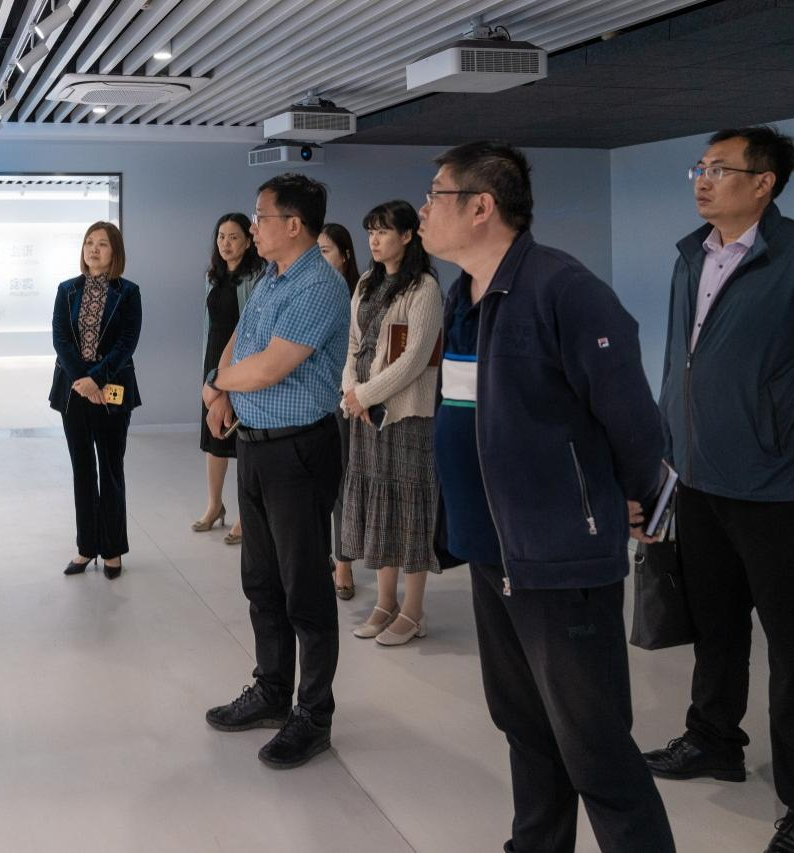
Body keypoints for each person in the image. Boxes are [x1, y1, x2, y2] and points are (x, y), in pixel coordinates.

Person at [421, 141, 675, 852]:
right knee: (524, 726)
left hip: (558, 555)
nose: (423, 210)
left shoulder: (563, 290)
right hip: (492, 549)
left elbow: (632, 419)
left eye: (436, 194)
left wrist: (630, 496)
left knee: (594, 744)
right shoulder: (465, 295)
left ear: (480, 206)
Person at [640, 125, 794, 853]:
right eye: (698, 168)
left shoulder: (788, 258)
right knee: (716, 625)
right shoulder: (690, 256)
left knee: (789, 648)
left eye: (719, 169)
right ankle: (712, 739)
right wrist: (665, 457)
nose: (702, 180)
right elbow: (681, 362)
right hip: (698, 478)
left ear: (763, 183)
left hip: (777, 486)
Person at [203, 173, 349, 769]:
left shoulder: (319, 285)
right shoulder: (270, 276)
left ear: (293, 224)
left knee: (304, 588)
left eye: (261, 217)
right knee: (261, 580)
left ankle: (313, 715)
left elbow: (269, 367)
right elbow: (241, 339)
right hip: (256, 446)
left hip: (300, 452)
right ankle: (270, 691)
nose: (252, 226)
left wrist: (217, 383)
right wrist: (220, 392)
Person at [340, 201, 442, 644]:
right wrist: (352, 393)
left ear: (407, 235)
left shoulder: (424, 288)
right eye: (370, 231)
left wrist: (364, 395)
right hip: (365, 415)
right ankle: (385, 603)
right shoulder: (366, 282)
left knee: (409, 507)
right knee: (378, 505)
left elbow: (415, 359)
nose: (374, 240)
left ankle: (414, 611)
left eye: (383, 231)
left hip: (406, 416)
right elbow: (353, 344)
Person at [49, 221, 142, 580]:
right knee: (83, 470)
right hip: (74, 392)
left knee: (111, 469)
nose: (93, 249)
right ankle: (86, 547)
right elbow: (60, 339)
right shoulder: (67, 290)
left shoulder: (128, 292)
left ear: (115, 251)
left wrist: (97, 378)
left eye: (102, 244)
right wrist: (83, 381)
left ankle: (113, 548)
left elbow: (127, 343)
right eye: (89, 242)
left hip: (112, 392)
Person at [194, 212, 262, 546]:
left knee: (242, 442)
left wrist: (234, 380)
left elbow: (252, 332)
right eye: (221, 237)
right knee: (215, 440)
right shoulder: (213, 277)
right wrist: (206, 375)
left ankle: (245, 517)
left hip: (240, 366)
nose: (226, 243)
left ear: (248, 241)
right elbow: (207, 328)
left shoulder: (256, 277)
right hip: (214, 362)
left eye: (234, 237)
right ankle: (214, 505)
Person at [317, 223, 360, 598]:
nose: (319, 259)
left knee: (342, 481)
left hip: (346, 399)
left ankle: (344, 563)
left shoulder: (358, 294)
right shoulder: (311, 291)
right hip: (313, 399)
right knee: (318, 483)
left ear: (345, 256)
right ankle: (324, 557)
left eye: (325, 251)